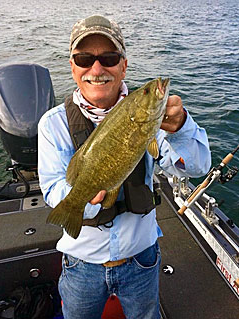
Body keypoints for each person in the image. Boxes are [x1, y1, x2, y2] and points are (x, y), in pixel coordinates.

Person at [38, 15, 211, 319]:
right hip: (81, 263)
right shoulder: (52, 125)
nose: (96, 69)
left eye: (108, 57)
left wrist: (181, 127)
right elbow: (53, 189)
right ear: (72, 67)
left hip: (141, 259)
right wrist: (83, 200)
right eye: (84, 58)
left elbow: (197, 167)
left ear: (123, 66)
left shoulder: (151, 118)